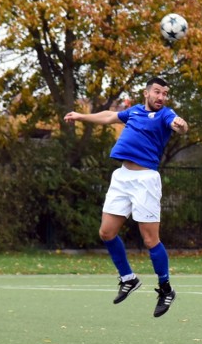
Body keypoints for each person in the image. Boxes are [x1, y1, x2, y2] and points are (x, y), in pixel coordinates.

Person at [64, 77, 188, 318]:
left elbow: (179, 125)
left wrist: (181, 125)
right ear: (146, 93)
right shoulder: (134, 111)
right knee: (106, 233)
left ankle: (166, 289)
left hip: (145, 181)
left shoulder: (165, 115)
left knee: (150, 240)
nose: (161, 97)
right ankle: (128, 278)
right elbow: (109, 116)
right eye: (157, 92)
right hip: (122, 177)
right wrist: (80, 116)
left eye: (164, 93)